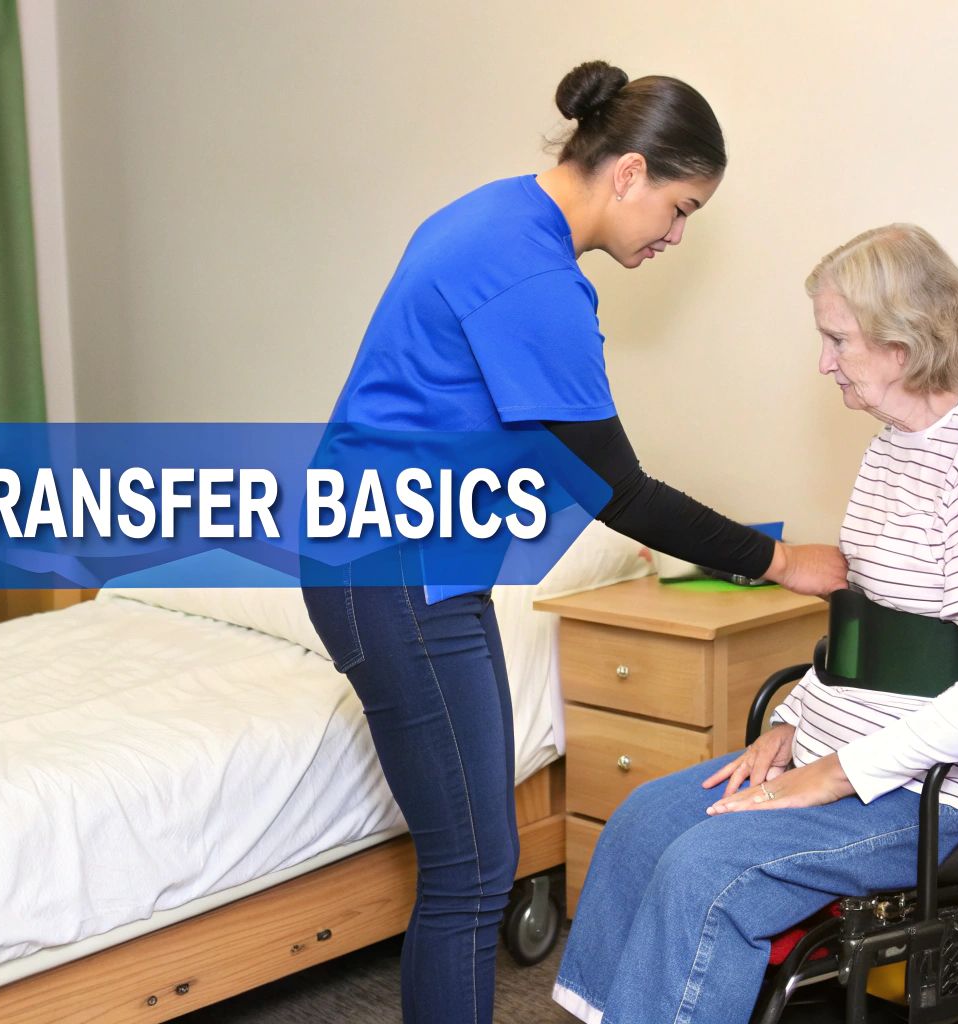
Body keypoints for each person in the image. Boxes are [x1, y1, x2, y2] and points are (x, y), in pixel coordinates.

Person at [300, 61, 850, 1024]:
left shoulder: (493, 214)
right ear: (629, 173)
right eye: (679, 209)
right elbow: (621, 492)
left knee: (472, 862)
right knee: (474, 871)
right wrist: (787, 562)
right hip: (398, 574)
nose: (676, 238)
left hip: (381, 561)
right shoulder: (536, 279)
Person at [551, 224, 958, 1024]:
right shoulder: (897, 446)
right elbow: (866, 629)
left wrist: (831, 772)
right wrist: (793, 724)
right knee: (641, 824)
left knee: (710, 869)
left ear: (904, 343)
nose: (824, 361)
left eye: (838, 339)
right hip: (869, 754)